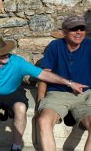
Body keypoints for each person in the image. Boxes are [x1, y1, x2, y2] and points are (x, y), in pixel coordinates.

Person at [0, 36, 87, 151]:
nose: (6, 54)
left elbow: (44, 75)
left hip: (14, 91)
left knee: (21, 108)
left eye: (6, 51)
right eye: (2, 53)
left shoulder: (17, 62)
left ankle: (16, 146)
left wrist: (69, 83)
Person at [38, 15, 91, 151]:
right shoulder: (55, 46)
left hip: (85, 95)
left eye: (82, 28)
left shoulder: (89, 45)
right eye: (74, 29)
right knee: (44, 121)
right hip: (57, 94)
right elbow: (44, 75)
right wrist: (40, 100)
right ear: (64, 32)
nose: (79, 32)